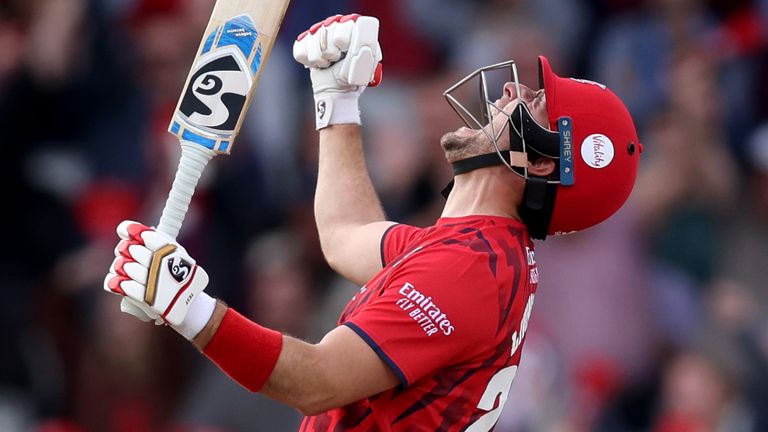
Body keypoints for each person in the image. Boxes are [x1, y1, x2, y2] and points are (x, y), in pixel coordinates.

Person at [103, 14, 641, 431]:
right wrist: (336, 101)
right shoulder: (473, 251)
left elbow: (316, 381)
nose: (510, 92)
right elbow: (344, 237)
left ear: (544, 162)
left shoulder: (468, 271)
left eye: (536, 102)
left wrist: (189, 307)